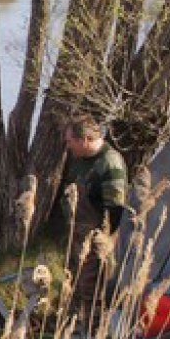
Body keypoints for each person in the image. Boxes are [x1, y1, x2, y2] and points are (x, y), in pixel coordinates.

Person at [60, 114, 128, 322]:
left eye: (70, 142)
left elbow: (115, 209)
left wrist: (105, 243)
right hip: (78, 235)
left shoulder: (109, 164)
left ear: (85, 140)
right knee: (75, 286)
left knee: (93, 290)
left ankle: (91, 330)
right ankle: (71, 323)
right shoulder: (81, 159)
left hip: (96, 239)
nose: (68, 147)